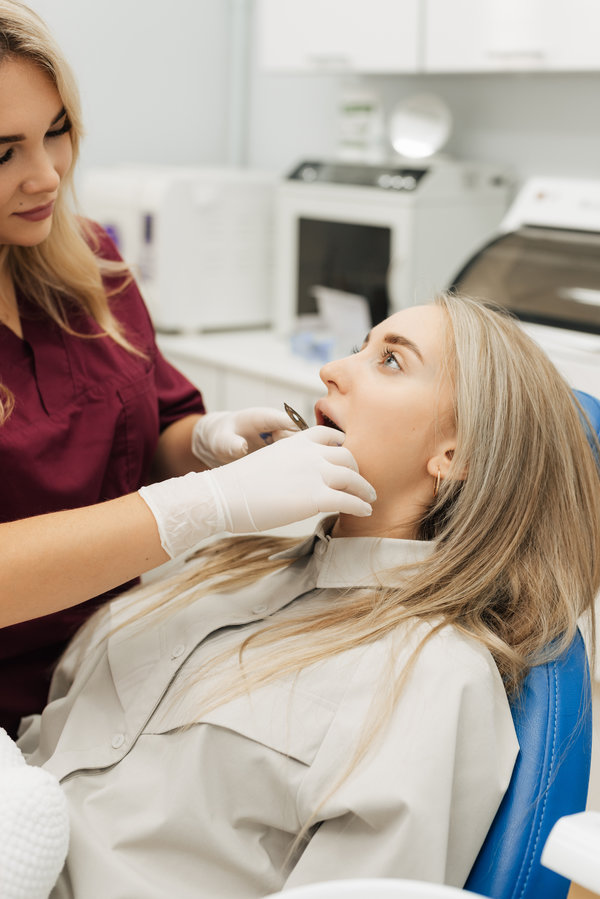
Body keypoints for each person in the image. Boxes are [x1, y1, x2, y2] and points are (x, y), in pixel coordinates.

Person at [19, 294, 600, 899]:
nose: (333, 370)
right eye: (358, 349)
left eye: (391, 362)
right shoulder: (229, 566)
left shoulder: (432, 677)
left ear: (455, 456)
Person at [0, 0, 376, 738]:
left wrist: (207, 440)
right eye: (1, 151)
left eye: (58, 132)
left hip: (106, 683)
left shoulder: (90, 262)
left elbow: (153, 423)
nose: (46, 176)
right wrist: (208, 502)